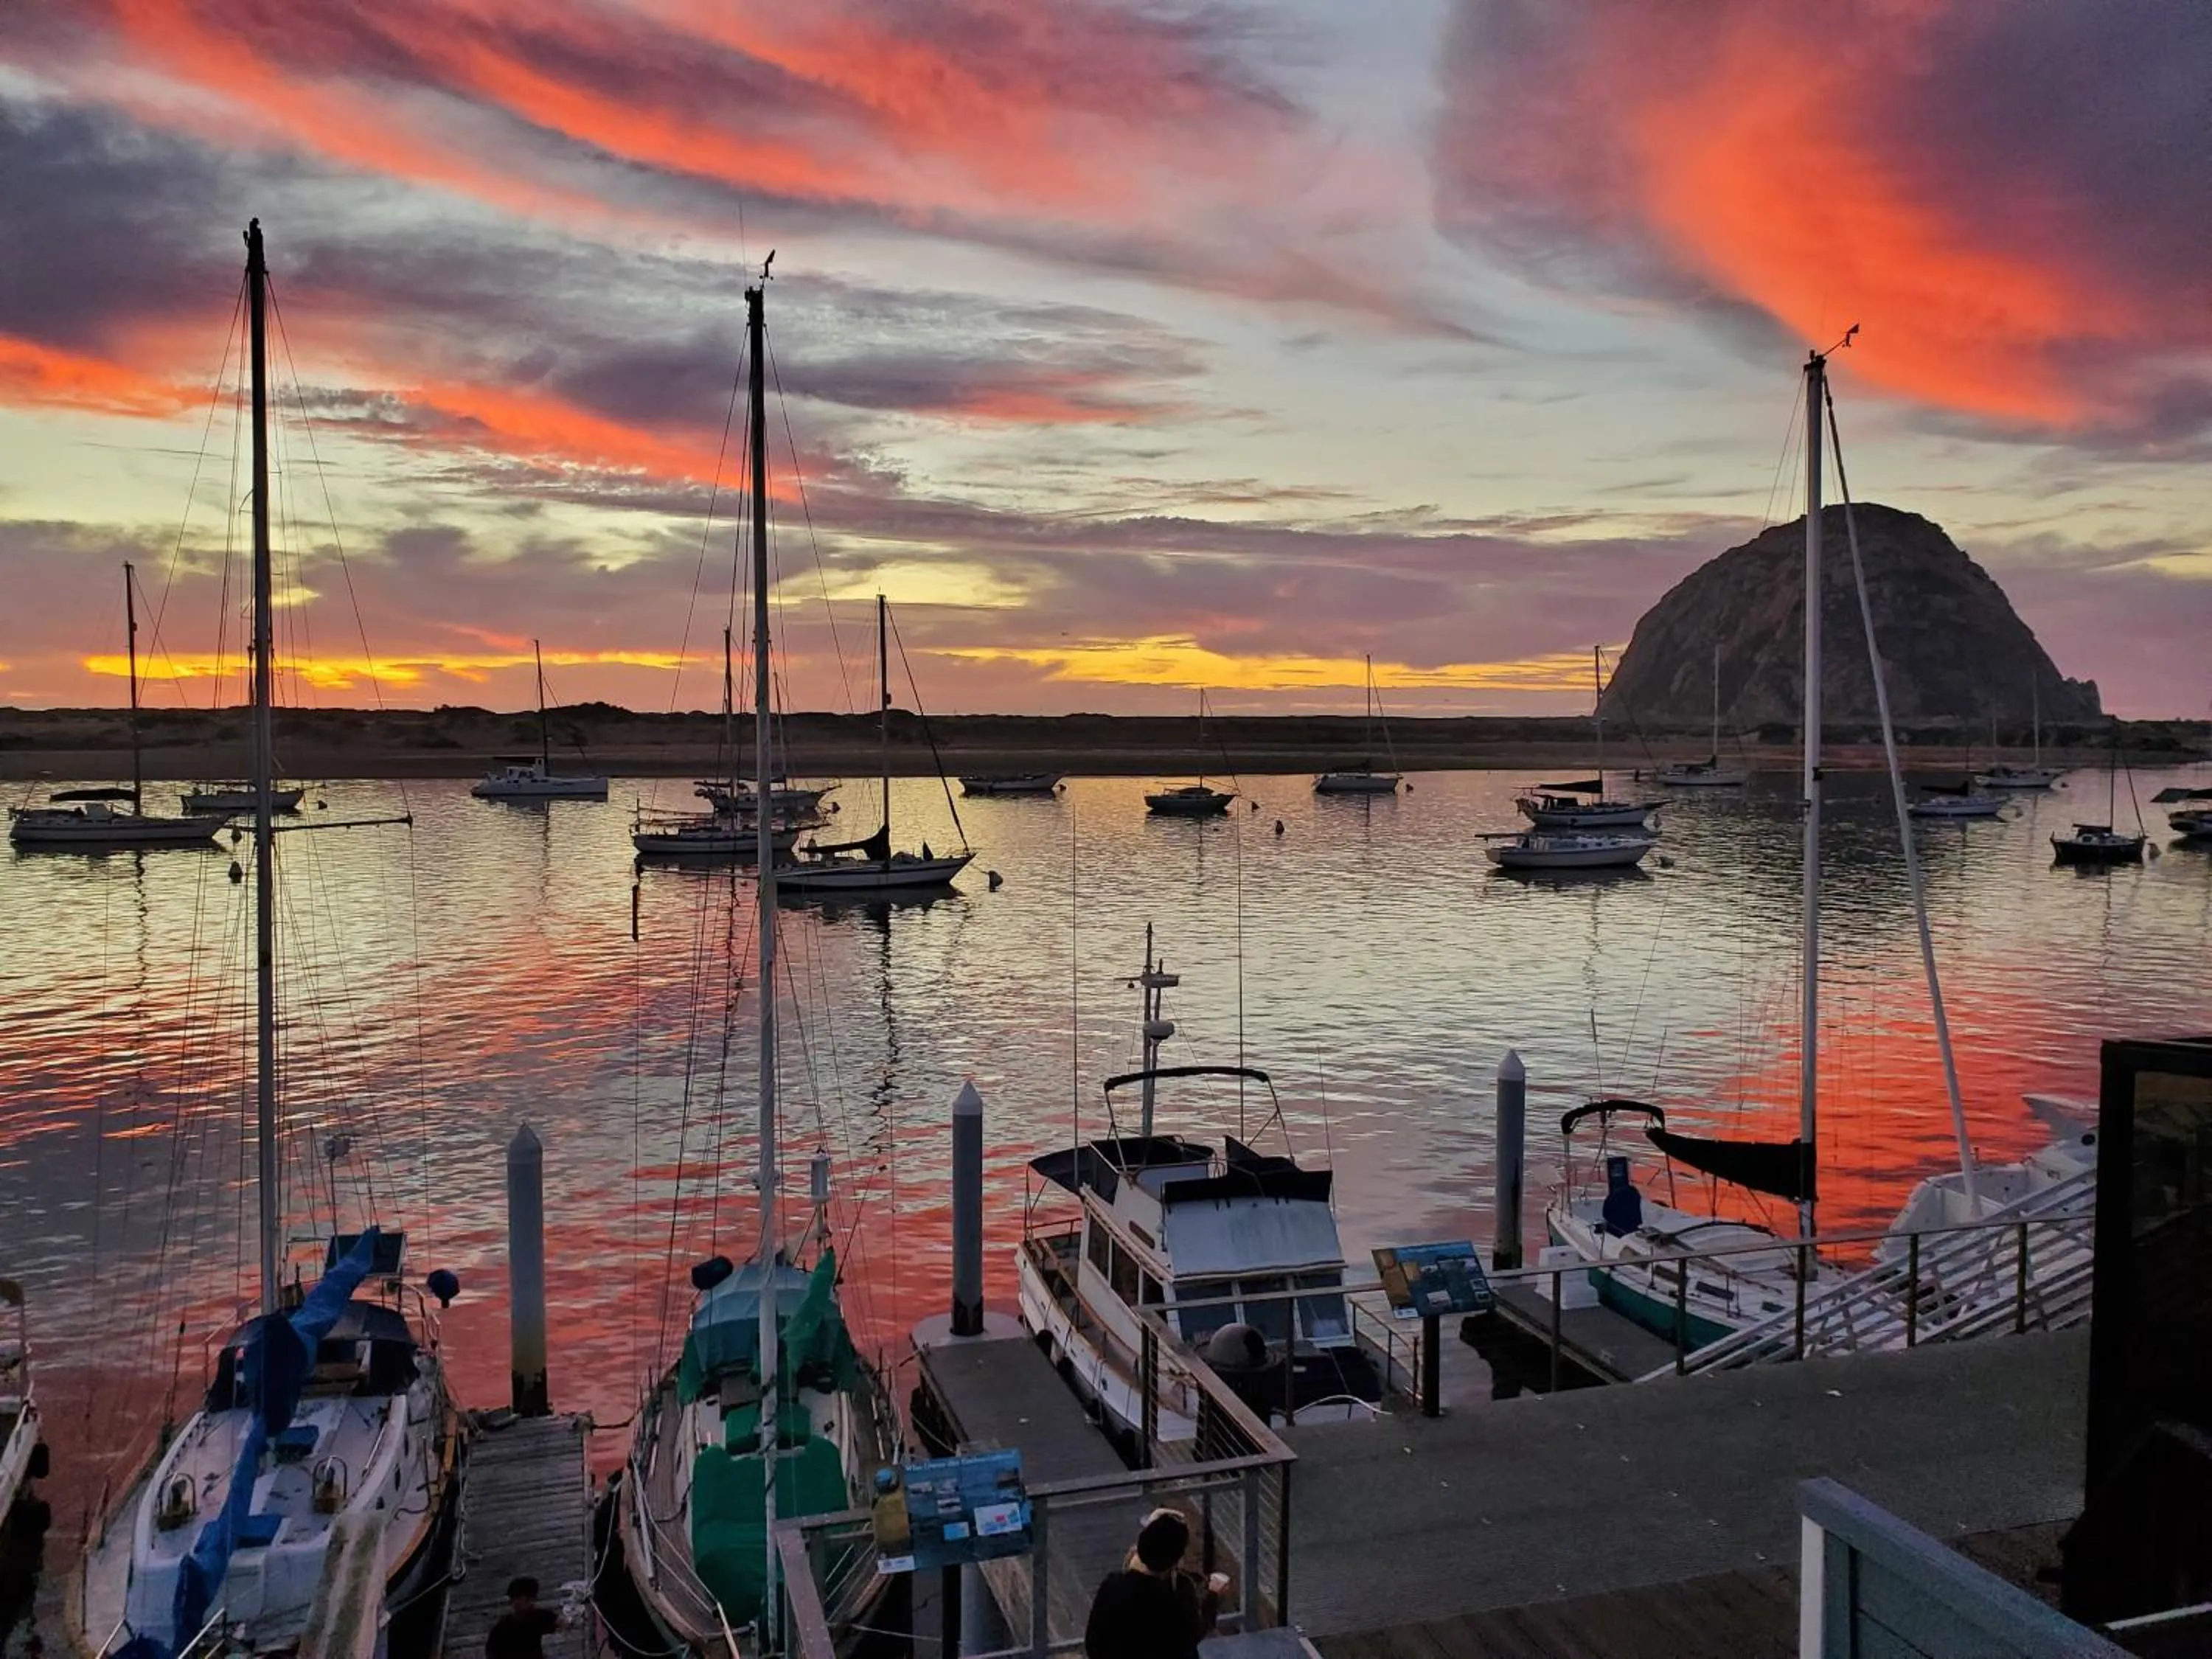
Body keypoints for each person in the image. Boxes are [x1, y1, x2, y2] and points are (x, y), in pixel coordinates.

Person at [1082, 1509, 1220, 1659]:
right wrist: (1213, 1594)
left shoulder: (1113, 1586)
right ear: (1176, 1559)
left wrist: (1152, 1528)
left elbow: (1093, 1644)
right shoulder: (1179, 1593)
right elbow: (1192, 1635)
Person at [486, 1576, 563, 1659]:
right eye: (527, 1599)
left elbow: (561, 1622)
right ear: (514, 1601)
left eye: (533, 1598)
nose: (532, 1603)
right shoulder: (500, 1630)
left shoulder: (537, 1617)